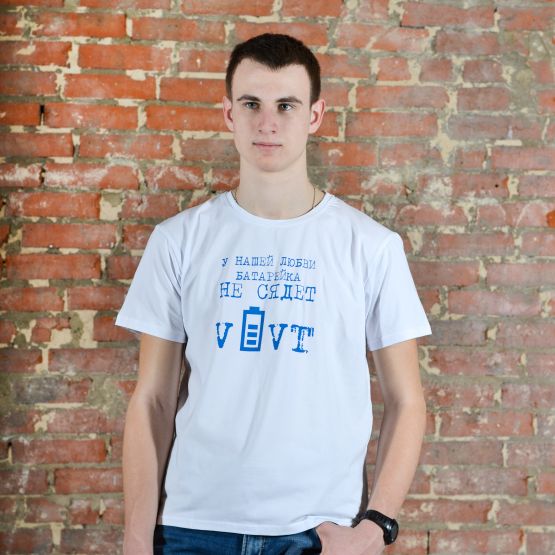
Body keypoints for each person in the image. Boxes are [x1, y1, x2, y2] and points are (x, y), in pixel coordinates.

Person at [115, 33, 431, 555]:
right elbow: (152, 399)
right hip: (194, 527)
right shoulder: (179, 240)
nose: (267, 123)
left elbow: (407, 400)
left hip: (319, 533)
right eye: (251, 104)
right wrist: (135, 539)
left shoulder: (371, 246)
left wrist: (375, 528)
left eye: (286, 105)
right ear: (228, 113)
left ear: (314, 116)